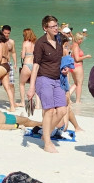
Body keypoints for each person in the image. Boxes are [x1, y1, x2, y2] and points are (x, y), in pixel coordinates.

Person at [27, 15, 67, 152]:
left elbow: (61, 59)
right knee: (49, 110)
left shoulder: (60, 39)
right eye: (53, 26)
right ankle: (47, 143)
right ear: (45, 28)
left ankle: (46, 134)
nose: (56, 28)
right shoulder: (40, 43)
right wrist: (32, 87)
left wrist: (65, 69)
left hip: (58, 79)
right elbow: (36, 65)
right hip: (43, 78)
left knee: (62, 110)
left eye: (56, 25)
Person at [70, 31, 91, 105]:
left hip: (73, 67)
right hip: (77, 66)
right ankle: (78, 101)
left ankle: (67, 95)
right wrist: (86, 56)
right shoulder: (75, 46)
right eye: (79, 39)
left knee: (76, 83)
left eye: (81, 39)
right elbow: (77, 59)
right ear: (76, 39)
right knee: (79, 84)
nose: (81, 41)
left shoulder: (73, 45)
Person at [19, 28, 37, 112]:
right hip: (33, 65)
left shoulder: (25, 43)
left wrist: (21, 53)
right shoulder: (35, 43)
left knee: (22, 84)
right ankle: (37, 105)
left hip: (26, 65)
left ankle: (23, 102)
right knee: (34, 85)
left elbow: (22, 56)